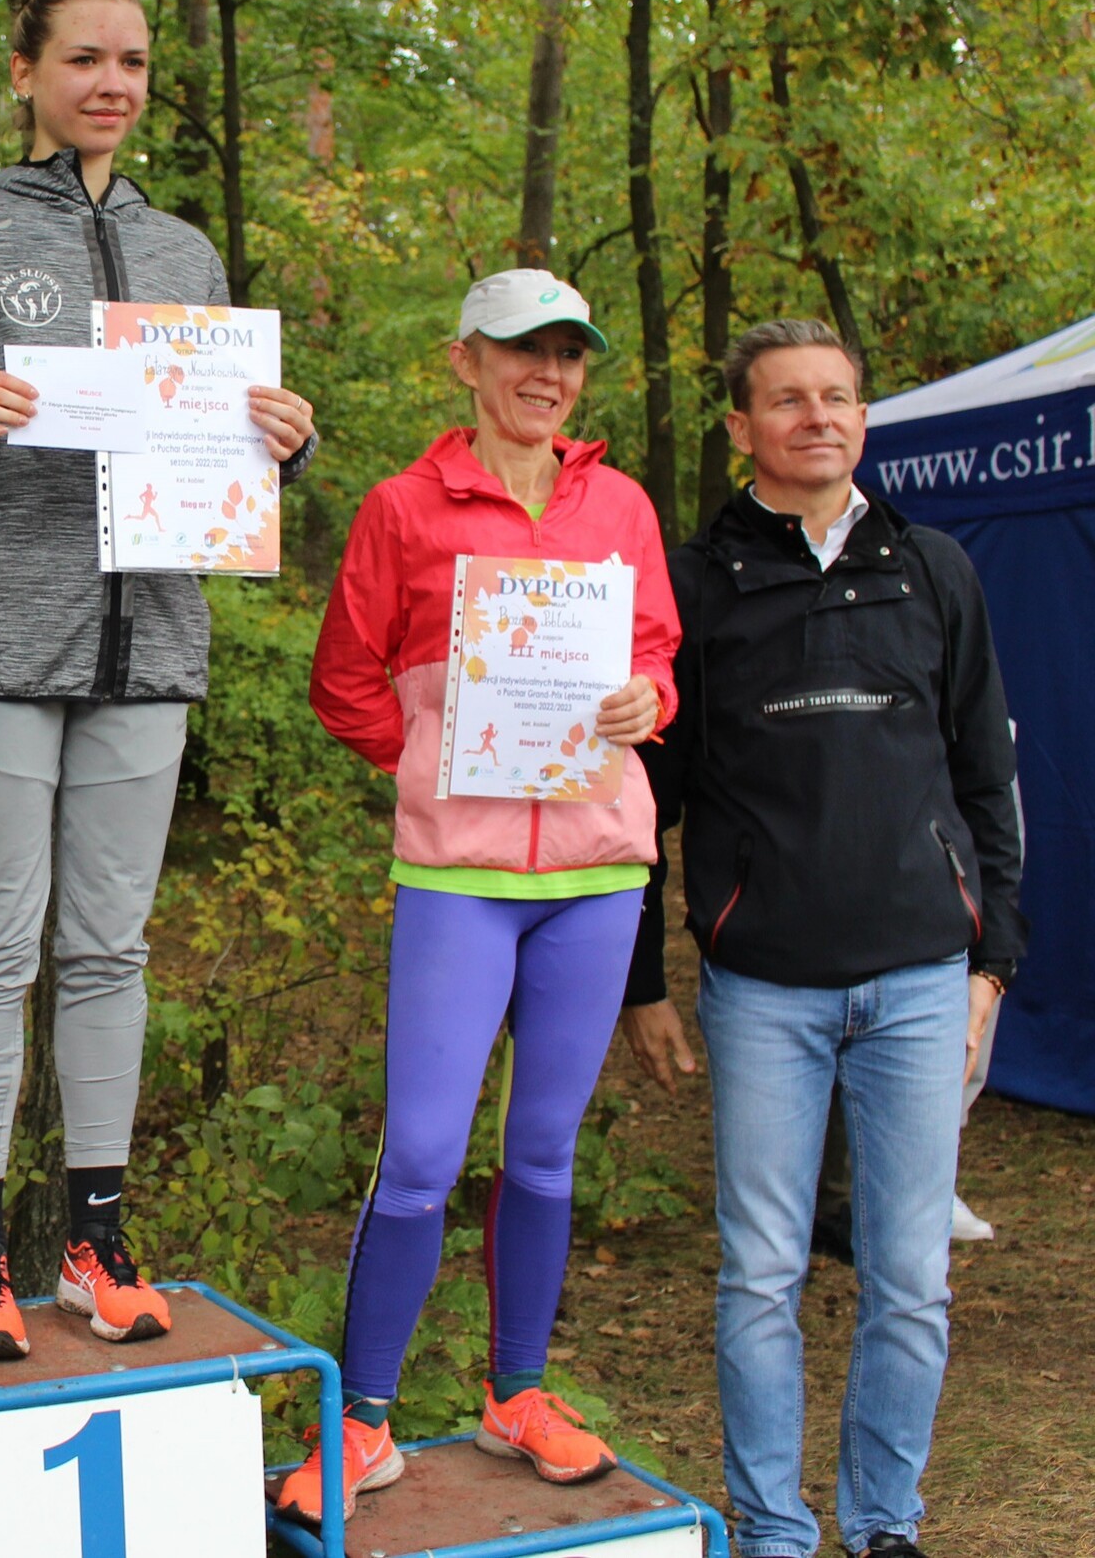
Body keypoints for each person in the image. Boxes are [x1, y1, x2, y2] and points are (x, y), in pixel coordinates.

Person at [0, 0, 317, 1363]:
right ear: (26, 73)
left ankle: (96, 1243)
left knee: (110, 949)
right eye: (86, 58)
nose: (114, 83)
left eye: (134, 62)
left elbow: (219, 448)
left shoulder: (188, 259)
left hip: (149, 641)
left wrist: (280, 441)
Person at [620, 318, 1024, 1558]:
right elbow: (644, 799)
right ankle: (772, 1528)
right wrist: (644, 983)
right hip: (763, 987)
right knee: (760, 1276)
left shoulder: (934, 567)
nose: (819, 417)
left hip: (922, 979)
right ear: (741, 425)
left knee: (912, 1278)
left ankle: (885, 1521)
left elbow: (986, 778)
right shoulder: (693, 583)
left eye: (838, 396)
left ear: (862, 415)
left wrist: (992, 962)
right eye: (789, 400)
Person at [280, 269, 680, 1522]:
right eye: (523, 350)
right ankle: (362, 1420)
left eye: (570, 354)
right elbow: (344, 679)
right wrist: (432, 762)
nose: (548, 375)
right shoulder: (404, 507)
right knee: (420, 1153)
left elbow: (657, 653)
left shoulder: (620, 502)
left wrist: (649, 699)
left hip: (598, 869)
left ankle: (517, 1395)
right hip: (461, 875)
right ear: (467, 359)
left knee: (546, 1147)